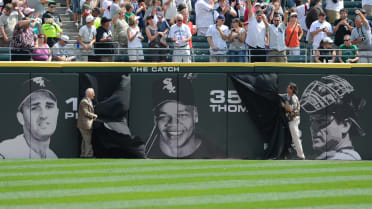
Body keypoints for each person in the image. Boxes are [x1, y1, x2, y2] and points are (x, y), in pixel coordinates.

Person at [146, 76, 223, 158]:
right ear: (155, 120)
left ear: (195, 115)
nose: (173, 123)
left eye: (182, 115)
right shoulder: (141, 152)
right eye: (164, 116)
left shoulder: (217, 157)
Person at [300, 75, 366, 160]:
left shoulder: (342, 159)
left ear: (345, 125)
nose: (313, 127)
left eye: (322, 121)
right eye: (312, 120)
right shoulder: (331, 156)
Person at [0, 77, 59, 159]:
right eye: (34, 108)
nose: (43, 115)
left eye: (49, 106)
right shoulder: (5, 152)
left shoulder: (52, 156)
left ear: (57, 113)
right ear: (21, 118)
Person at [280, 82, 305, 160]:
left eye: (288, 87)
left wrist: (283, 105)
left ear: (291, 89)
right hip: (291, 120)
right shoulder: (288, 95)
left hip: (294, 120)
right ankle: (299, 154)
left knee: (296, 138)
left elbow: (290, 109)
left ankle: (301, 155)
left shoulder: (293, 97)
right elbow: (281, 95)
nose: (287, 88)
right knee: (294, 138)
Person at [77, 88, 97, 158]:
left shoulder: (88, 101)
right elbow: (86, 112)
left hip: (85, 124)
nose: (94, 95)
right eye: (93, 94)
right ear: (89, 94)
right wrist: (94, 115)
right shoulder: (84, 101)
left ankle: (83, 154)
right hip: (85, 125)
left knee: (84, 140)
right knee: (88, 141)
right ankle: (88, 155)